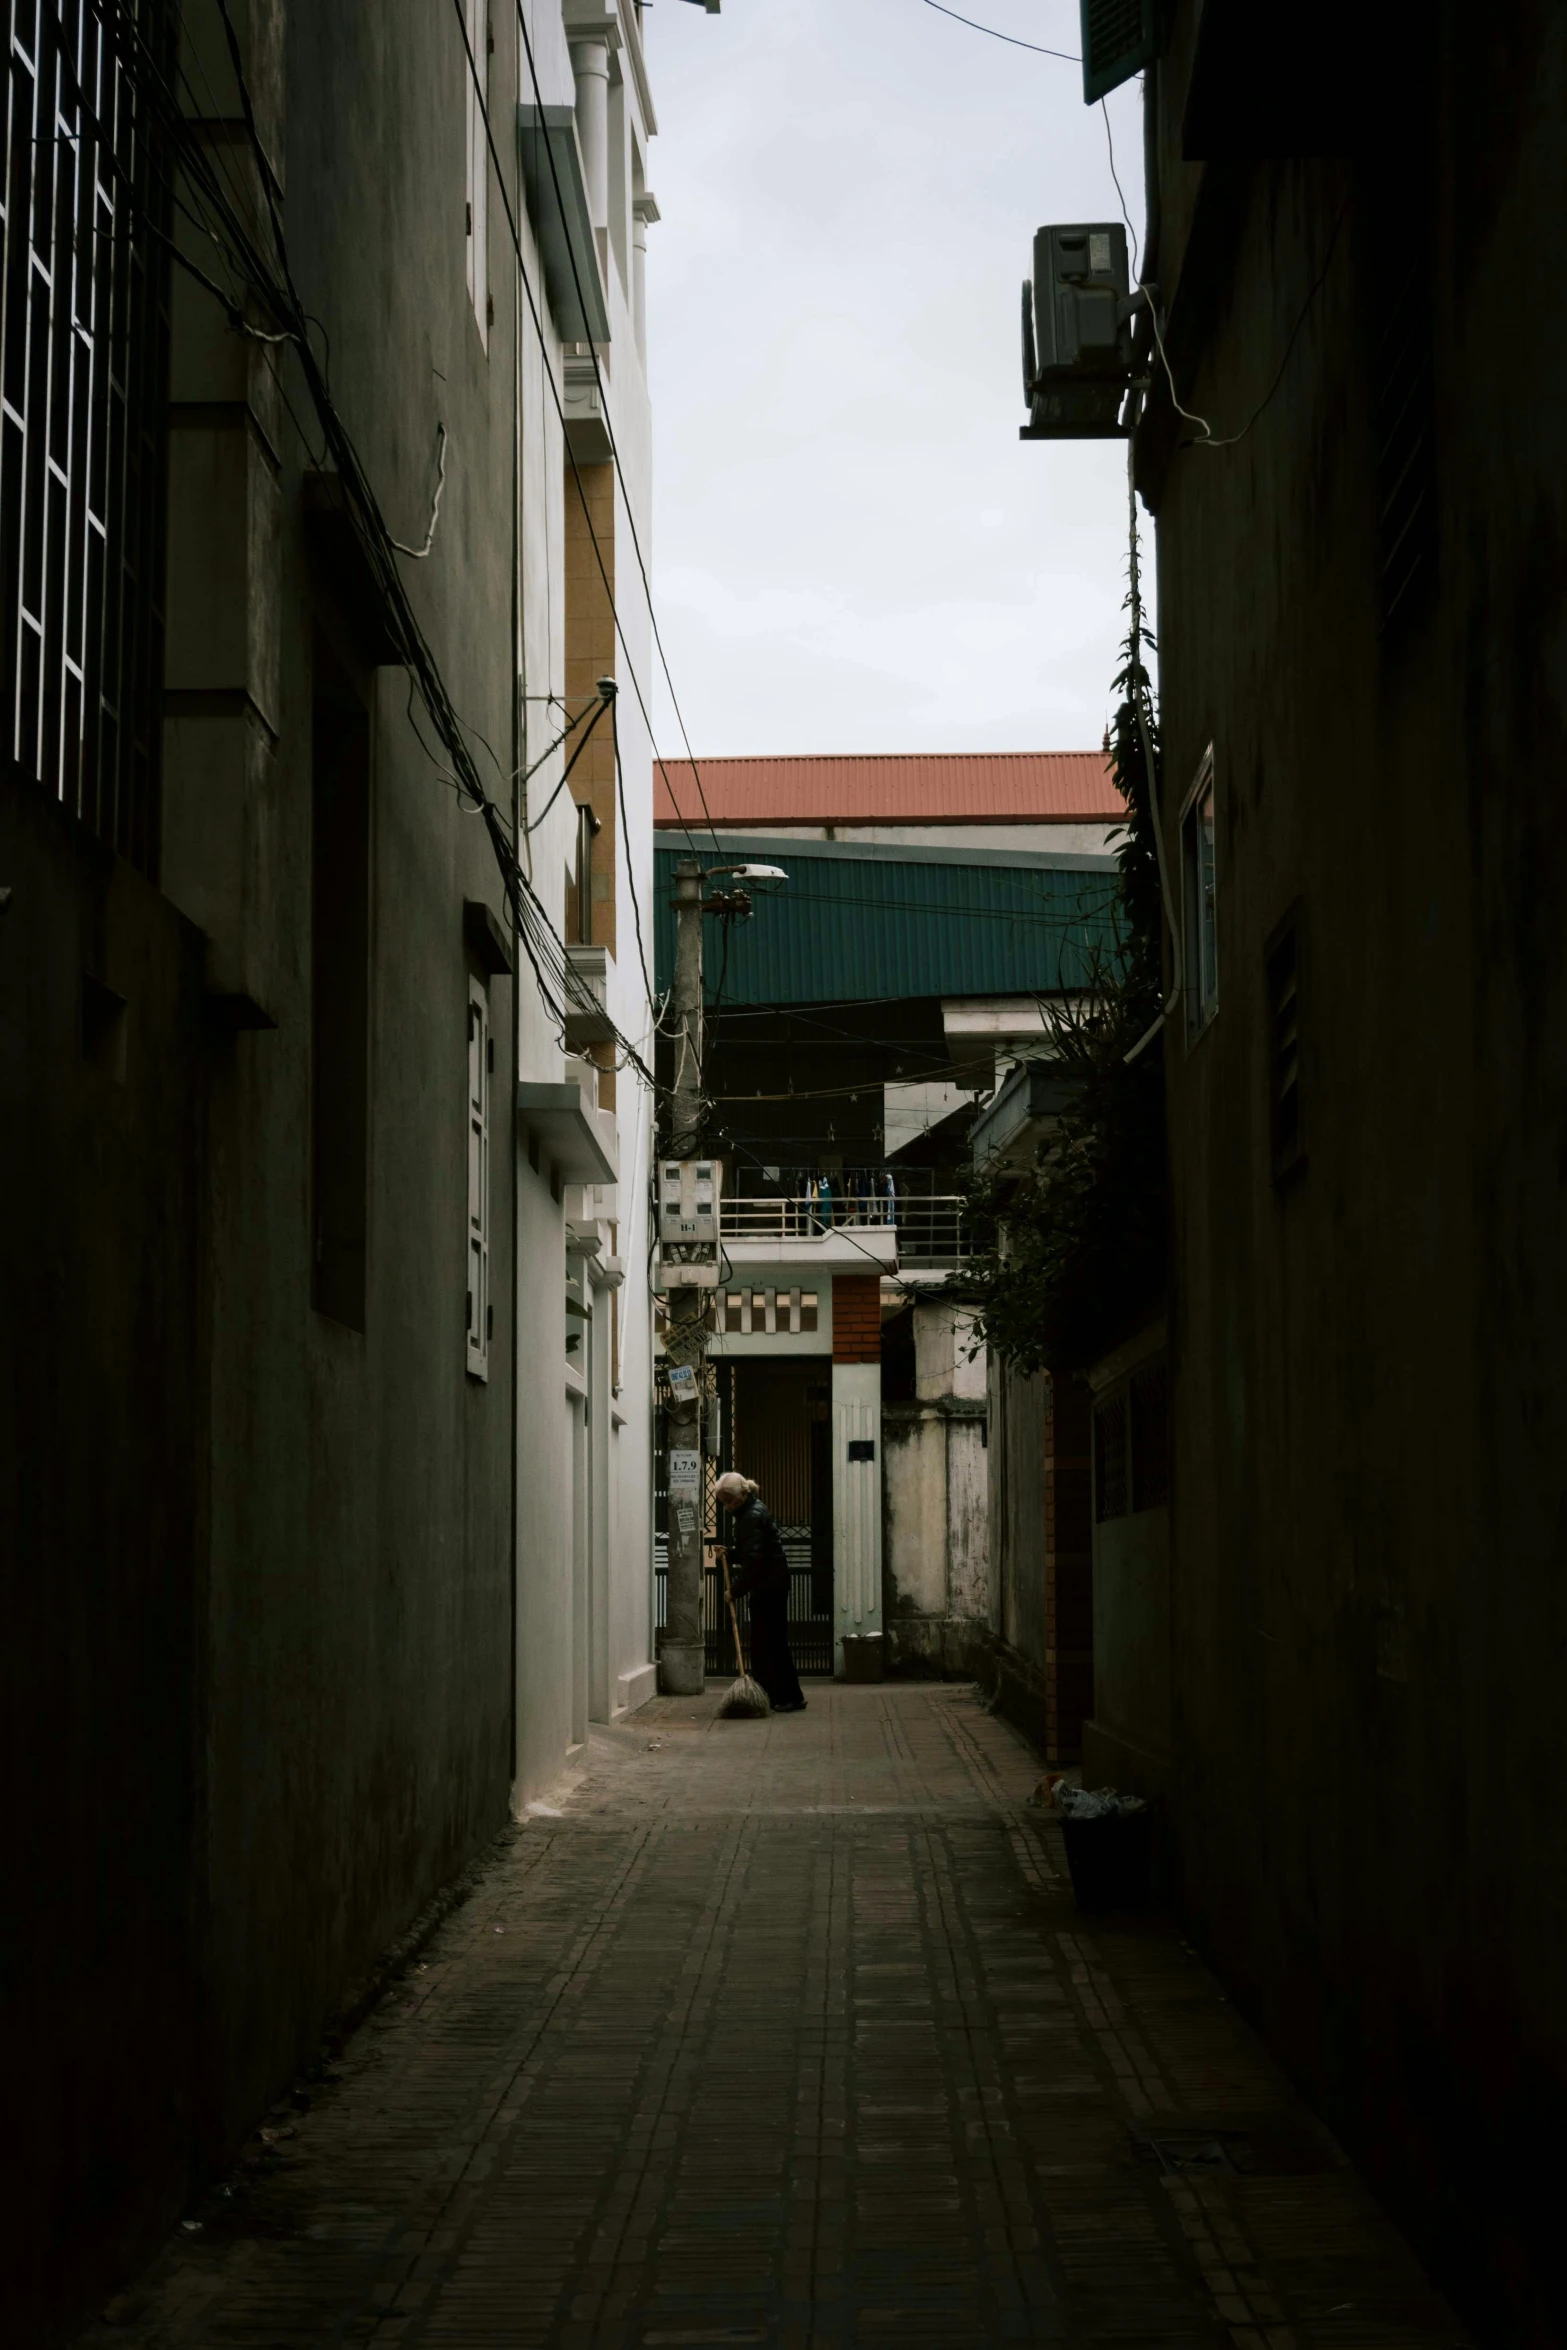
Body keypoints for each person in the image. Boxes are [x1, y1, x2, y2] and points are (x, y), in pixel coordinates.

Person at [715, 1472, 806, 1712]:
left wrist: (734, 1591)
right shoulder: (752, 1511)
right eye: (724, 1502)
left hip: (769, 1585)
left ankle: (783, 1696)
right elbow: (752, 1551)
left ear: (743, 1494)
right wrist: (730, 1554)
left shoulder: (750, 1517)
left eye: (730, 1501)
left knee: (769, 1642)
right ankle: (778, 1694)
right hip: (772, 1582)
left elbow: (755, 1561)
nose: (727, 1507)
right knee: (770, 1641)